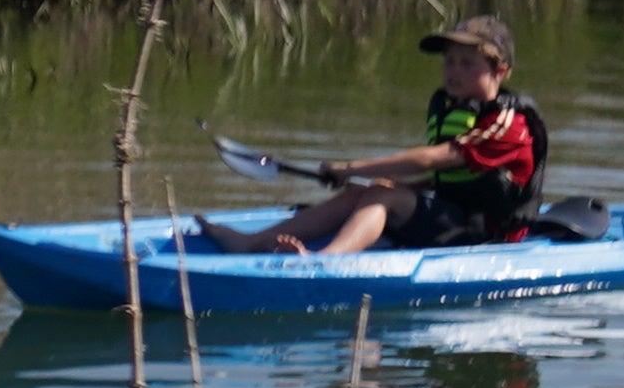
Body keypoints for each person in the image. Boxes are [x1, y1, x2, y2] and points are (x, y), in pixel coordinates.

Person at [225, 17, 547, 256]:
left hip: (488, 237)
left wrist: (350, 167)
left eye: (467, 63)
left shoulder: (510, 125)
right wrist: (393, 185)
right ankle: (250, 243)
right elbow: (452, 181)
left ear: (500, 71)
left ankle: (324, 261)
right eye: (449, 61)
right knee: (370, 192)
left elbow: (429, 158)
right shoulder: (460, 110)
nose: (454, 71)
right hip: (455, 218)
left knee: (383, 196)